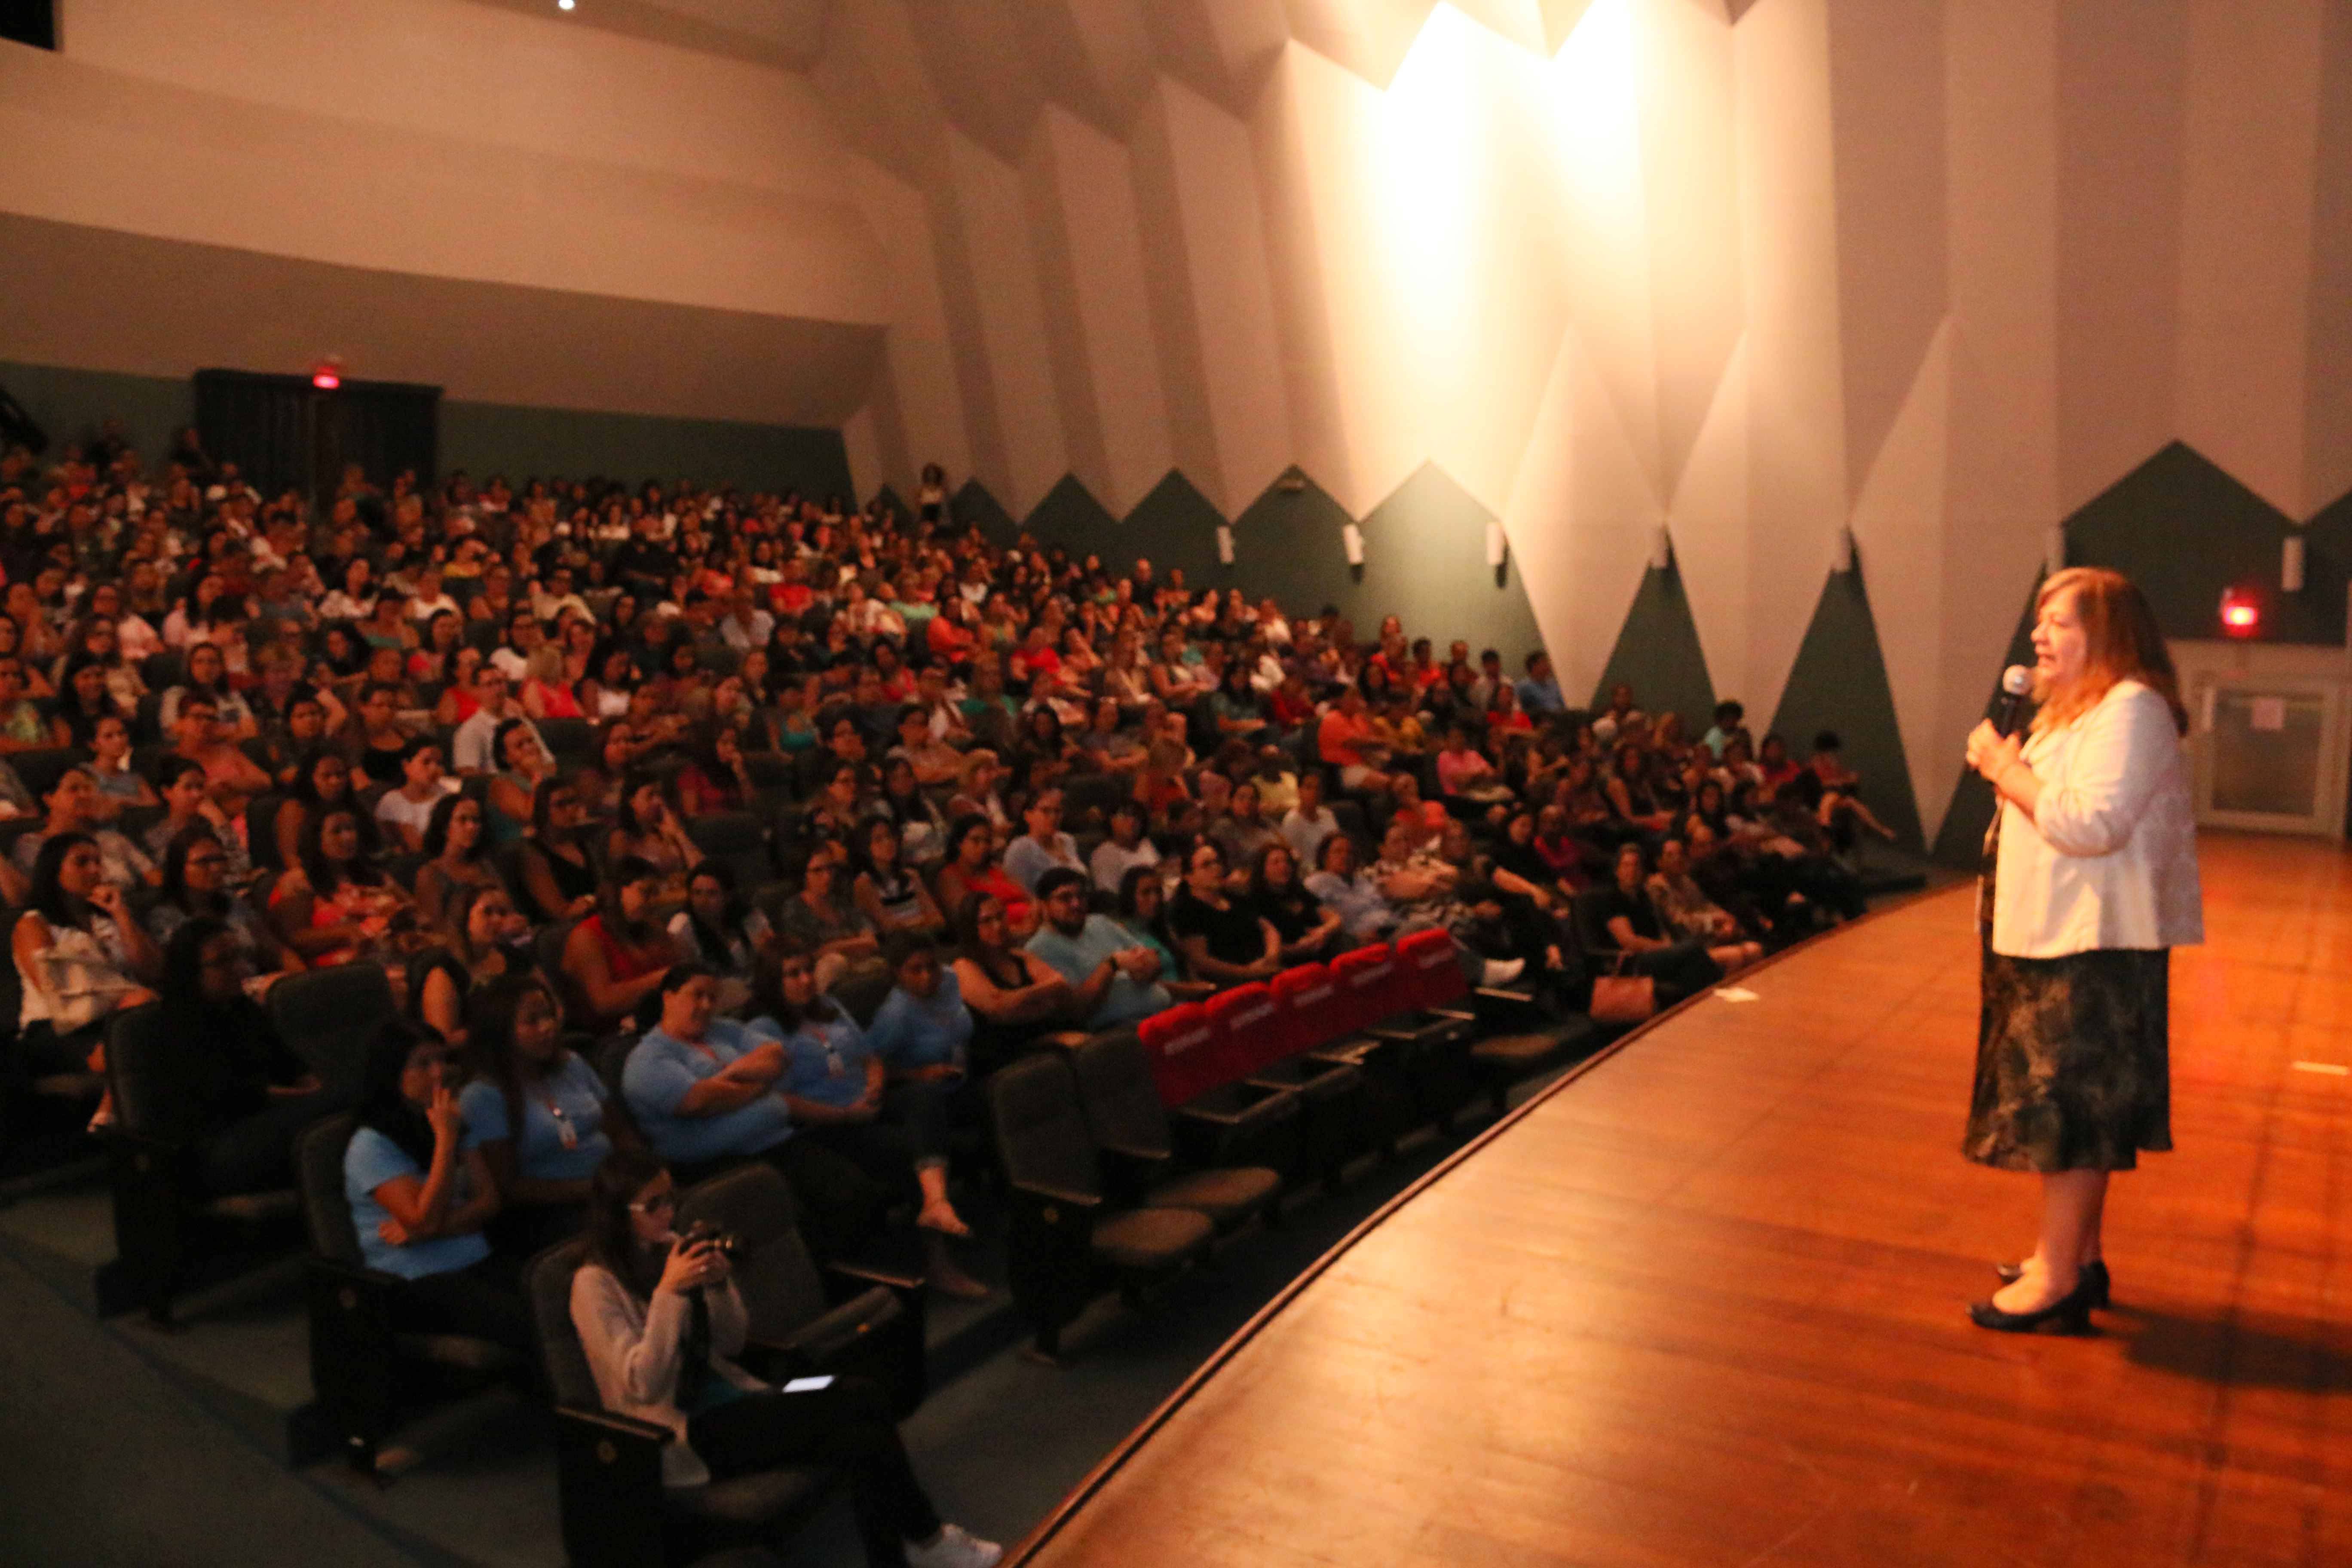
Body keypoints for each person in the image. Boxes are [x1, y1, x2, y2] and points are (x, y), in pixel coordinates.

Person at [1959, 567, 2201, 1333]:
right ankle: (2074, 1257)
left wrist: (2004, 766)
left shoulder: (2131, 708)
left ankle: (2057, 1279)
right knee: (2067, 1111)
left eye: (2059, 621)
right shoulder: (2074, 713)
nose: (2038, 635)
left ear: (2109, 633)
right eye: (2038, 620)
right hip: (2048, 938)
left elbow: (2089, 825)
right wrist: (2016, 769)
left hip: (2088, 947)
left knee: (2068, 1114)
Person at [568, 1147, 1003, 1567]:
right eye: (654, 1205)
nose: (668, 1213)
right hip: (688, 1433)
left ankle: (906, 1552)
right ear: (619, 1216)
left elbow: (731, 1344)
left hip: (743, 1395)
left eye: (671, 1199)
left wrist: (719, 1287)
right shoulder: (594, 1286)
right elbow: (643, 1383)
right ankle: (928, 1541)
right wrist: (671, 1292)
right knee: (859, 1397)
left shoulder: (671, 1249)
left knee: (862, 1435)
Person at [753, 944, 985, 1297]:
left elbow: (869, 1055)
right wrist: (847, 1114)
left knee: (924, 1097)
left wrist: (876, 1084)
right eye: (793, 974)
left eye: (807, 970)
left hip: (866, 1100)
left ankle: (937, 1203)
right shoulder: (763, 1029)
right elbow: (782, 1101)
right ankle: (939, 1262)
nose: (805, 980)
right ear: (773, 982)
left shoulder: (828, 1007)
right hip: (826, 1123)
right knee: (909, 1151)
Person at [619, 965, 883, 1262]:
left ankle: (852, 1279)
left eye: (713, 997)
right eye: (698, 996)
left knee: (859, 1193)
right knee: (798, 1222)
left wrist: (727, 1076)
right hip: (719, 1163)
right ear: (669, 997)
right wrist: (757, 1082)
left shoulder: (723, 1030)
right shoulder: (648, 1060)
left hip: (775, 1141)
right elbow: (699, 1102)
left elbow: (778, 1057)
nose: (707, 1005)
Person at [342, 1018, 533, 1363]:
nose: (439, 1072)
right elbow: (424, 1219)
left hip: (475, 1255)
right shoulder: (370, 1145)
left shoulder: (450, 1116)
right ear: (393, 1074)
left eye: (442, 1060)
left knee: (560, 1299)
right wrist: (446, 1141)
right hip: (416, 1278)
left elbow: (488, 1202)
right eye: (423, 1064)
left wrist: (423, 1232)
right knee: (527, 1325)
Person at [148, 917, 332, 1197]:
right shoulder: (176, 1023)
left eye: (238, 957)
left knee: (340, 1109)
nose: (239, 969)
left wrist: (310, 1085)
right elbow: (231, 1095)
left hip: (267, 1123)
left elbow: (288, 1061)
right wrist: (310, 1098)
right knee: (343, 1103)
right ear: (191, 971)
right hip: (217, 1147)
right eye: (223, 962)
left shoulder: (241, 1008)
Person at [461, 972, 625, 1257]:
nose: (548, 1027)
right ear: (502, 1031)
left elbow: (619, 1130)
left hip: (610, 1187)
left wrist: (638, 1173)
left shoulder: (571, 1064)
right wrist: (591, 1188)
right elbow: (509, 1188)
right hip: (551, 1210)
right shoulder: (483, 1096)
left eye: (549, 1016)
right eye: (533, 1021)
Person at [13, 833, 161, 1111]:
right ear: (54, 870)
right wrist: (128, 999)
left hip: (116, 1019)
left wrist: (122, 915)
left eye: (97, 862)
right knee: (143, 1020)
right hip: (57, 1027)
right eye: (82, 862)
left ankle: (109, 1115)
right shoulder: (35, 924)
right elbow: (59, 991)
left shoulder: (104, 921)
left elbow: (151, 971)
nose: (95, 871)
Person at [1023, 868, 1170, 1029]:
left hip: (1160, 1009)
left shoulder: (1100, 923)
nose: (1076, 904)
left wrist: (1149, 966)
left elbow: (1150, 958)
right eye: (1065, 898)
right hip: (1119, 1029)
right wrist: (1111, 965)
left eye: (1080, 896)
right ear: (1044, 905)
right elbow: (1077, 1010)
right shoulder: (1039, 949)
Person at [560, 857, 679, 1033]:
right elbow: (604, 1003)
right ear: (617, 891)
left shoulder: (651, 928)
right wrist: (660, 978)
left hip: (662, 1022)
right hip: (612, 1036)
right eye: (646, 892)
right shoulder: (586, 937)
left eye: (656, 894)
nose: (653, 902)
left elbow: (680, 970)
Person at [1166, 841, 1280, 985]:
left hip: (1264, 969)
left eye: (1217, 862)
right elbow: (1201, 961)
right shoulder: (1187, 911)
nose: (1217, 868)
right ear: (1189, 876)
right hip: (1230, 983)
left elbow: (1268, 928)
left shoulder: (1233, 897)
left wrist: (1271, 957)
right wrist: (1248, 973)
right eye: (1207, 865)